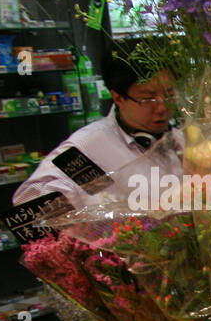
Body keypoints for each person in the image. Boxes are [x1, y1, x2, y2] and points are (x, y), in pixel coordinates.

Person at [12, 51, 180, 212]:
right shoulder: (90, 144)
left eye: (170, 94)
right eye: (148, 98)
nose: (162, 107)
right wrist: (91, 201)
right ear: (118, 98)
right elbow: (27, 199)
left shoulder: (183, 138)